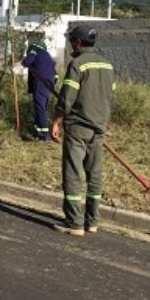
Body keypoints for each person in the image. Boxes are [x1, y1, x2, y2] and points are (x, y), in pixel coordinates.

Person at [50, 25, 115, 236]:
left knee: (73, 173)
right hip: (99, 127)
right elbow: (110, 96)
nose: (70, 45)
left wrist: (56, 121)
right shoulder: (107, 65)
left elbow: (67, 98)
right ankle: (92, 221)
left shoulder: (78, 64)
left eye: (71, 41)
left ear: (77, 42)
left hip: (78, 127)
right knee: (94, 175)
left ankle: (74, 223)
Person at [20, 40, 56, 141]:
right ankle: (39, 132)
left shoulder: (35, 49)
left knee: (40, 108)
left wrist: (19, 65)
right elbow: (56, 75)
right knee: (42, 107)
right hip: (49, 84)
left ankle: (43, 135)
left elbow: (27, 62)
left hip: (40, 82)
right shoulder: (47, 56)